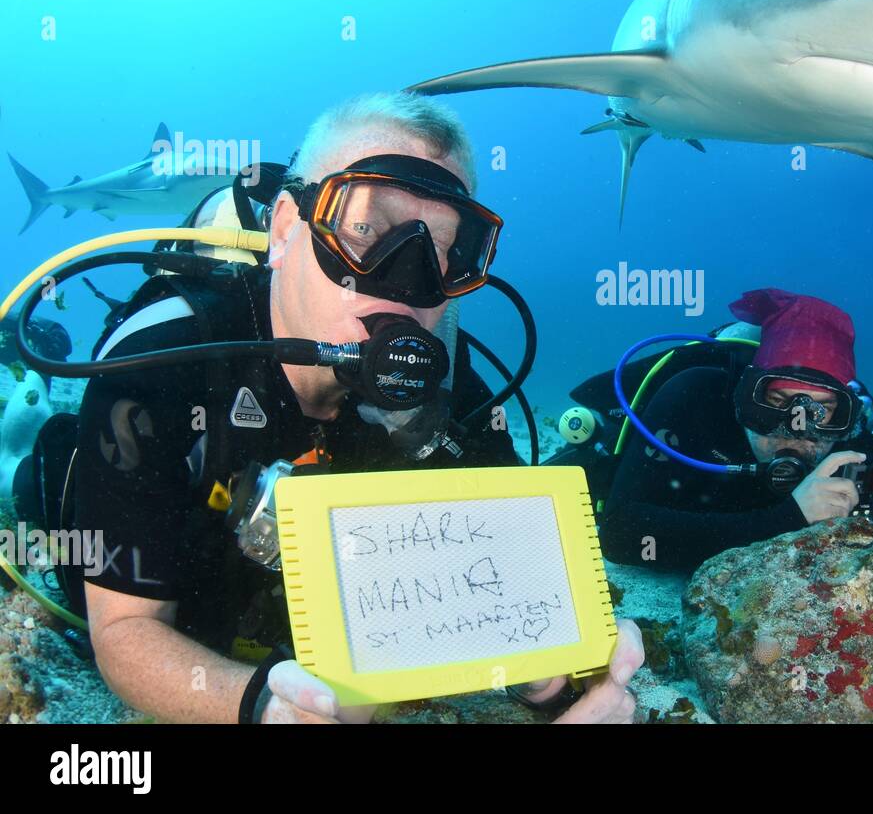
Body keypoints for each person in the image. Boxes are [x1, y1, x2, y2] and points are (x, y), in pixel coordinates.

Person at [67, 92, 641, 723]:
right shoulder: (162, 363)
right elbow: (123, 633)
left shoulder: (450, 390)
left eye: (443, 249)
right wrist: (264, 710)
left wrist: (561, 677)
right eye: (365, 229)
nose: (407, 283)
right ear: (286, 229)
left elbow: (512, 592)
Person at [598, 287, 873, 574]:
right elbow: (619, 532)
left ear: (844, 413)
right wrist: (787, 519)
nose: (796, 429)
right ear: (746, 396)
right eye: (777, 401)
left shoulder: (849, 443)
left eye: (821, 410)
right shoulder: (697, 399)